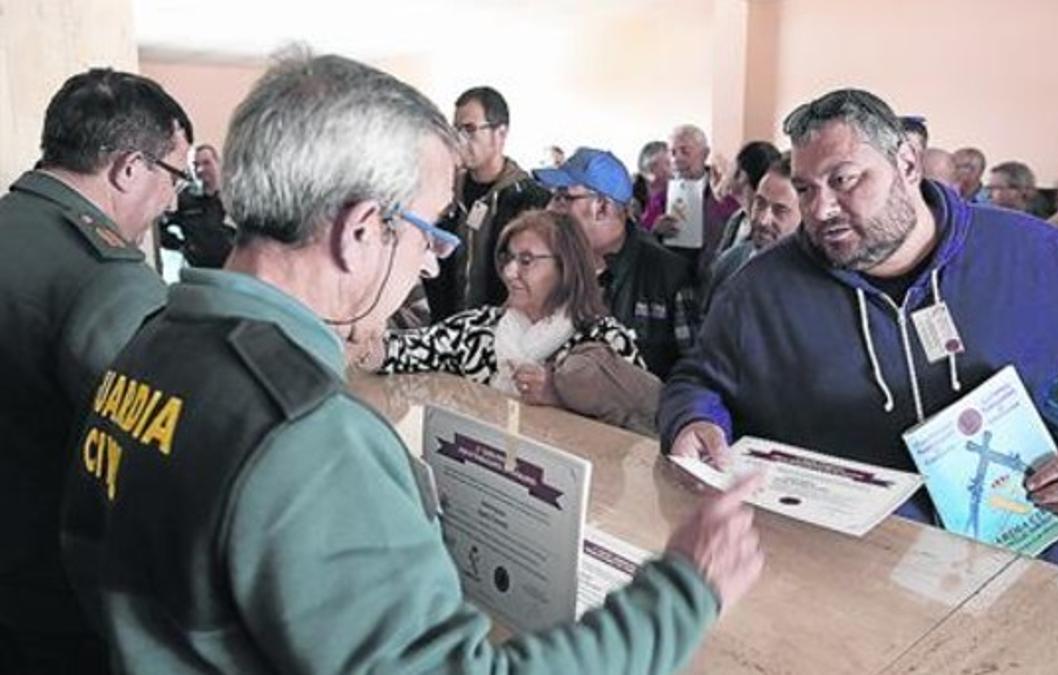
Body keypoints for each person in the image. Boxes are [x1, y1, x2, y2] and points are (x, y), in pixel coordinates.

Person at [60, 51, 765, 674]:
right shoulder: (307, 436)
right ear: (360, 229)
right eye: (429, 231)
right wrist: (682, 590)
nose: (433, 261)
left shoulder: (154, 341)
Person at [659, 88, 1058, 563]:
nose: (820, 209)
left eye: (844, 179)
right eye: (806, 188)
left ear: (906, 164)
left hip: (1012, 567)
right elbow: (699, 379)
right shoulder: (762, 291)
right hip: (838, 579)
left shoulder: (1038, 258)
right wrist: (694, 419)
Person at [0, 67, 191, 673]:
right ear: (130, 167)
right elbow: (149, 461)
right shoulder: (107, 278)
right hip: (47, 594)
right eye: (175, 177)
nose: (175, 200)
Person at [377, 209, 646, 407]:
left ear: (566, 268)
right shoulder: (477, 327)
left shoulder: (607, 340)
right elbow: (401, 351)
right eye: (508, 258)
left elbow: (641, 419)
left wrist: (563, 395)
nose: (509, 271)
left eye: (526, 261)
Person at [539, 147, 698, 379]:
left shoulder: (669, 277)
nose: (550, 209)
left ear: (602, 207)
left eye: (563, 197)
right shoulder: (548, 264)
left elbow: (694, 377)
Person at [423, 86, 549, 321]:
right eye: (456, 130)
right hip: (446, 332)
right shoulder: (445, 191)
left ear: (500, 133)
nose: (460, 140)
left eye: (470, 129)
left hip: (502, 335)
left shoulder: (531, 200)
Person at [641, 124, 740, 281]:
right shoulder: (661, 197)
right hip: (671, 278)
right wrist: (655, 231)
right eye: (673, 153)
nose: (677, 158)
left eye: (685, 151)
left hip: (714, 276)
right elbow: (641, 237)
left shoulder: (724, 191)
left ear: (705, 154)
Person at [704, 156, 803, 312]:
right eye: (760, 203)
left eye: (780, 210)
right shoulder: (729, 263)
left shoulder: (817, 282)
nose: (763, 220)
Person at [160, 143, 235, 268]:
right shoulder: (185, 199)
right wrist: (182, 246)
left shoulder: (234, 196)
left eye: (206, 163)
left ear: (218, 163)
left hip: (233, 269)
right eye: (196, 165)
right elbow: (161, 228)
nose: (200, 169)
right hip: (200, 271)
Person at [715, 141, 782, 254]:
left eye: (732, 165)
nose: (725, 173)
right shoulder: (737, 218)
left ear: (741, 175)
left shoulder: (765, 228)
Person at [985, 160, 1051, 217]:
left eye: (996, 188)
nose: (989, 195)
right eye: (989, 188)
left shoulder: (1041, 222)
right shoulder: (987, 216)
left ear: (1021, 189)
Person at [630, 139, 670, 224]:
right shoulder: (629, 197)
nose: (674, 168)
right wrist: (654, 232)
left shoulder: (677, 192)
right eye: (668, 163)